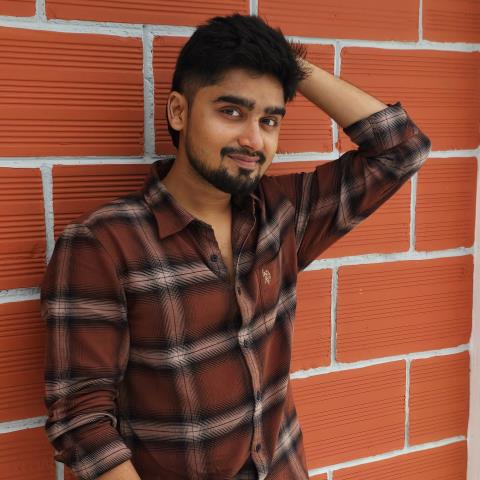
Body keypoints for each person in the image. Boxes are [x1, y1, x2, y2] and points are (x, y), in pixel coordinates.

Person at [41, 14, 431, 480]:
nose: (253, 139)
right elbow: (82, 420)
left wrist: (291, 66)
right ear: (179, 112)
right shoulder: (103, 245)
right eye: (231, 112)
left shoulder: (282, 214)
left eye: (269, 120)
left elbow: (401, 149)